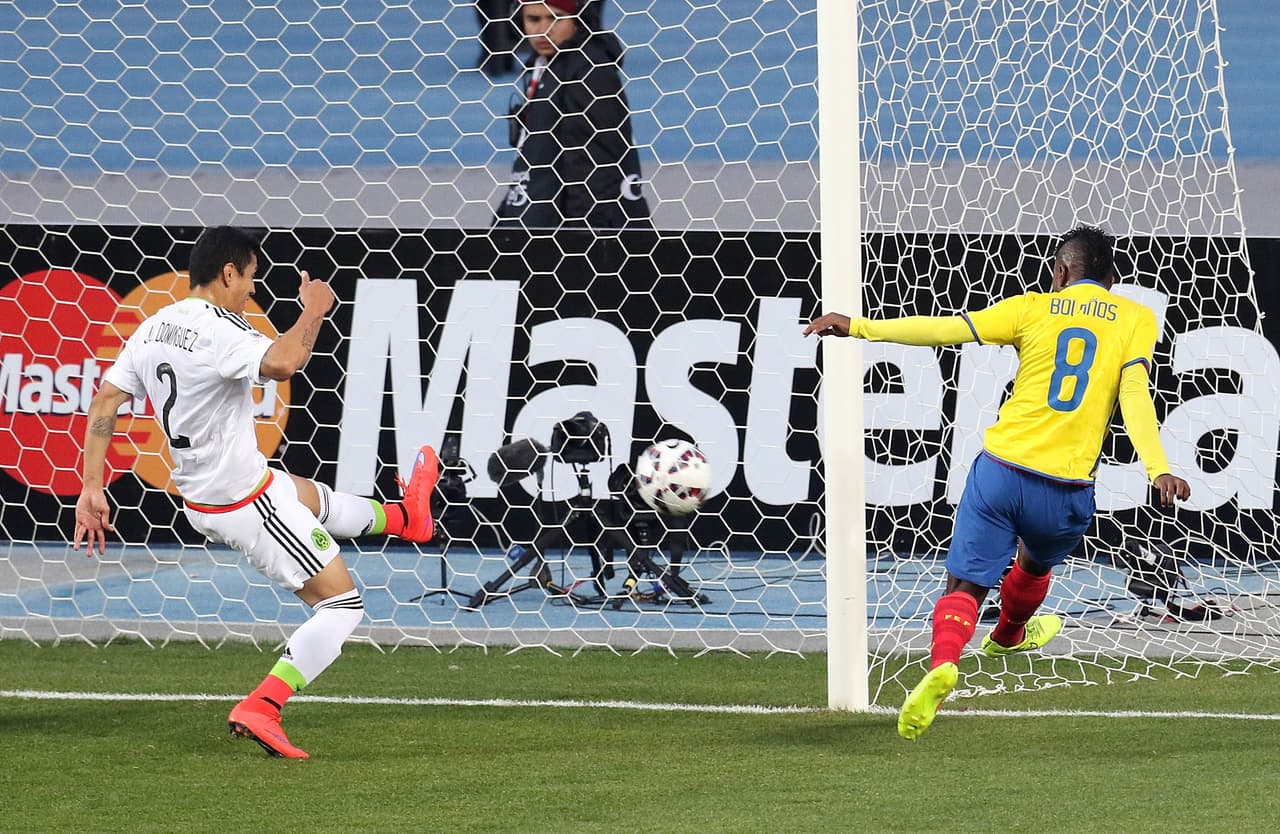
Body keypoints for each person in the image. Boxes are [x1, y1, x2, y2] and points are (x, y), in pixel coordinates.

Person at [803, 225, 1192, 740]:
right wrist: (1157, 468)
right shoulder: (1136, 319)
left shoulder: (1030, 308)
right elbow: (1135, 394)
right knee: (1035, 561)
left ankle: (944, 662)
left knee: (966, 584)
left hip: (1003, 472)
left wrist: (856, 327)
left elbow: (942, 331)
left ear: (1060, 273)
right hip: (1067, 489)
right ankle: (1009, 634)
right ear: (1113, 280)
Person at [72, 226, 440, 759]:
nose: (250, 290)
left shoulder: (153, 327)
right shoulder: (221, 329)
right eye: (250, 278)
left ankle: (408, 518)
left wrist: (91, 488)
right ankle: (264, 705)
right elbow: (286, 362)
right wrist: (314, 308)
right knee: (342, 606)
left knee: (306, 495)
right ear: (228, 273)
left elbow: (105, 403)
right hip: (240, 500)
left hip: (210, 490)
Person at [494, 0, 650, 229]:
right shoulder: (545, 65)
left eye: (555, 18)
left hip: (576, 231)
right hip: (538, 220)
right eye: (533, 19)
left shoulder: (589, 72)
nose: (543, 30)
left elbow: (597, 168)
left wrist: (580, 237)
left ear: (577, 19)